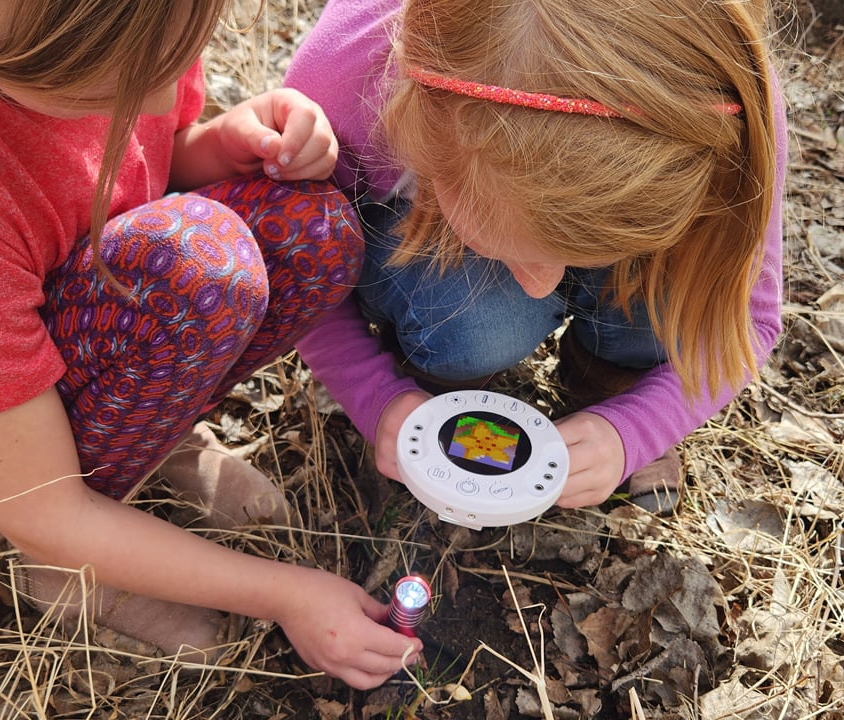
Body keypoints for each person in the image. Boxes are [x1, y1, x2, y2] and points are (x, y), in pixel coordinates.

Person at [0, 0, 424, 690]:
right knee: (195, 263)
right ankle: (65, 575)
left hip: (24, 293)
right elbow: (46, 508)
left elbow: (134, 168)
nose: (161, 96)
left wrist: (219, 145)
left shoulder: (115, 20)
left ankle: (144, 442)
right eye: (120, 83)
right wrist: (286, 593)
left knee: (317, 231)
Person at [285, 0, 786, 512]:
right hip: (413, 231)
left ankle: (610, 383)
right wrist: (377, 396)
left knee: (675, 290)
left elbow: (751, 315)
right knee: (470, 325)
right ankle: (441, 382)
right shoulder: (340, 84)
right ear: (433, 141)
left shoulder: (720, 88)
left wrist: (637, 426)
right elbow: (292, 263)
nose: (541, 289)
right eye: (506, 248)